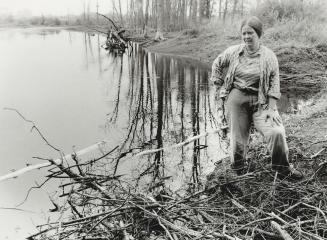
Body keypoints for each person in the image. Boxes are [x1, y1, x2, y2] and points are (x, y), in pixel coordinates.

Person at [210, 16, 302, 180]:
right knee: (237, 139)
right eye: (244, 33)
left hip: (262, 101)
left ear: (258, 34)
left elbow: (274, 83)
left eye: (250, 33)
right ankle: (238, 168)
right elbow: (217, 63)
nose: (246, 37)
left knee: (276, 131)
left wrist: (272, 109)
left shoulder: (269, 56)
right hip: (237, 99)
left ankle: (282, 169)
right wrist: (218, 86)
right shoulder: (233, 52)